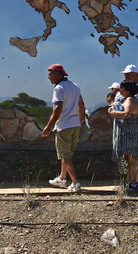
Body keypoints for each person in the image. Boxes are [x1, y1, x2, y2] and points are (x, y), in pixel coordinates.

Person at [42, 63, 86, 192]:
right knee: (65, 154)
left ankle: (75, 183)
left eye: (50, 74)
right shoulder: (74, 86)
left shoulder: (59, 88)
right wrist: (81, 120)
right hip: (75, 125)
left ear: (57, 74)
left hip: (64, 126)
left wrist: (49, 127)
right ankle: (62, 178)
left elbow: (58, 109)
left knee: (65, 156)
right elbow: (81, 104)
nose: (49, 77)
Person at [108, 80, 138, 192]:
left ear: (127, 90)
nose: (119, 89)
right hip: (129, 133)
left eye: (121, 88)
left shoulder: (130, 100)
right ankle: (129, 183)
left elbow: (127, 114)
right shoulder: (128, 99)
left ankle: (132, 184)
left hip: (129, 134)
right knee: (128, 159)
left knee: (131, 159)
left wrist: (115, 114)